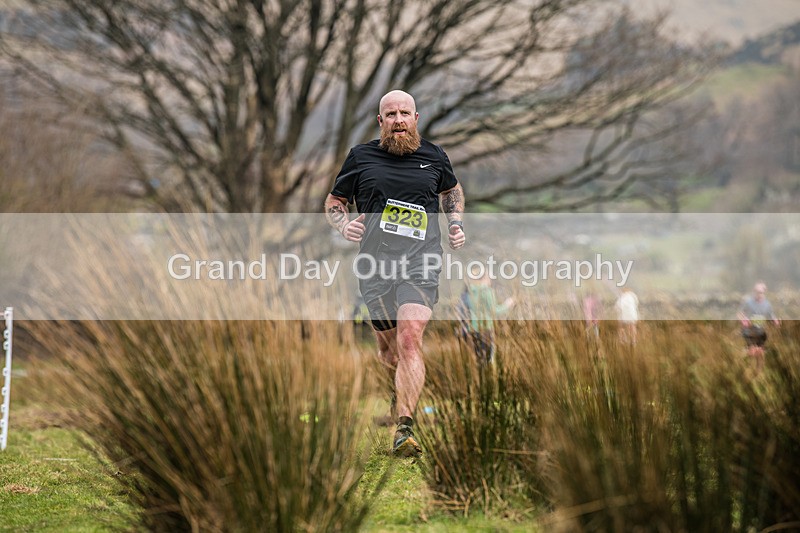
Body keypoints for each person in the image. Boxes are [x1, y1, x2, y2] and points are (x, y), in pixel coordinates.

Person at [324, 90, 465, 457]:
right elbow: (334, 202)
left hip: (421, 262)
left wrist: (455, 224)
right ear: (380, 121)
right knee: (389, 353)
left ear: (416, 117)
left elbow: (452, 191)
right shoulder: (361, 157)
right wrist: (343, 226)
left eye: (405, 113)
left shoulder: (434, 156)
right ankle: (398, 391)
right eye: (391, 114)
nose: (398, 119)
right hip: (376, 265)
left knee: (409, 338)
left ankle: (404, 428)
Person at [457, 274, 513, 366]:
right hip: (485, 330)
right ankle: (489, 378)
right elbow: (494, 311)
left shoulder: (466, 293)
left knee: (477, 360)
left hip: (470, 331)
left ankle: (480, 378)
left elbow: (461, 313)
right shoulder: (487, 291)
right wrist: (508, 304)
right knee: (488, 360)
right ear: (483, 278)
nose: (490, 279)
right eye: (488, 277)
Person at [737, 282, 780, 373]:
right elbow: (739, 313)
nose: (758, 294)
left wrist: (775, 320)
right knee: (752, 352)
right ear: (754, 292)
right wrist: (743, 319)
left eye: (761, 292)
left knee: (760, 353)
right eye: (757, 292)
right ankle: (741, 366)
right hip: (749, 331)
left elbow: (771, 315)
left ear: (764, 292)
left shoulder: (767, 304)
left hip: (760, 332)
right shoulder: (748, 302)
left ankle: (758, 374)